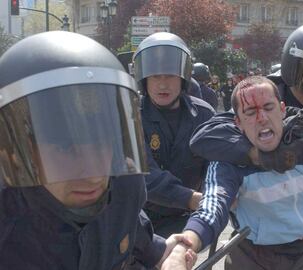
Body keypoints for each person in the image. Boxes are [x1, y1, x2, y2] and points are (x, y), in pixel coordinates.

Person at [0, 31, 196, 270]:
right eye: (66, 148)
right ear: (18, 153)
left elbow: (138, 242)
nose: (94, 174)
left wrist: (170, 253)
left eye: (104, 144)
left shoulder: (123, 188)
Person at [188, 23, 303, 270]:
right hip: (255, 233)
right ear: (295, 68)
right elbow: (206, 137)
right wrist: (258, 156)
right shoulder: (262, 94)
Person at [163, 76, 303, 270]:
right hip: (249, 258)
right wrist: (184, 246)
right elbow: (212, 206)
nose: (262, 118)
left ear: (282, 109)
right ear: (237, 122)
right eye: (250, 112)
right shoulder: (227, 163)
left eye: (268, 107)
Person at [132, 32, 215, 238]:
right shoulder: (131, 116)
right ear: (144, 80)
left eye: (169, 76)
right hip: (141, 222)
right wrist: (192, 198)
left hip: (190, 219)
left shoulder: (203, 114)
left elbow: (217, 164)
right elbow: (143, 175)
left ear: (182, 78)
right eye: (155, 77)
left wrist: (216, 196)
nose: (162, 84)